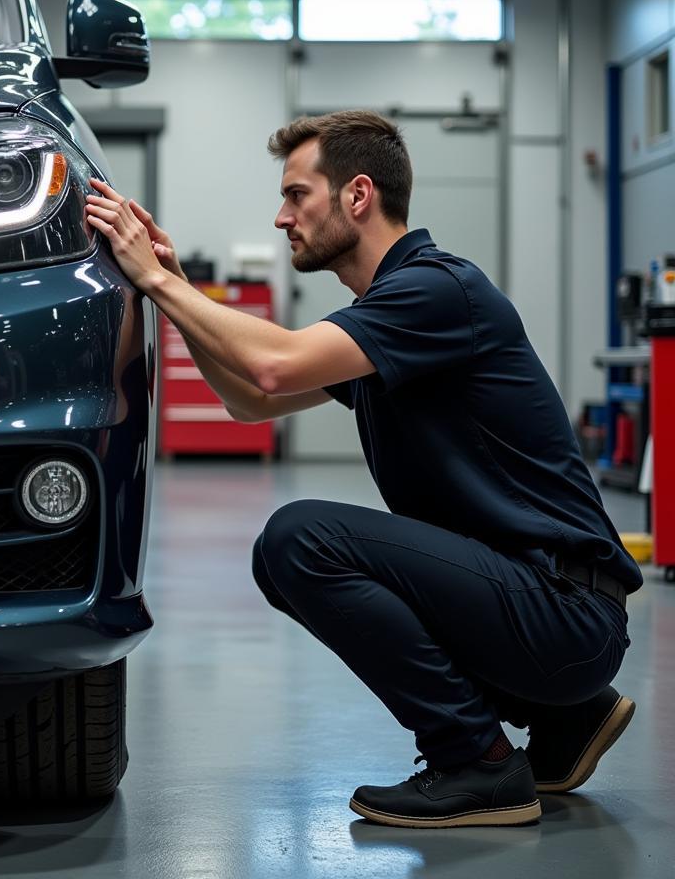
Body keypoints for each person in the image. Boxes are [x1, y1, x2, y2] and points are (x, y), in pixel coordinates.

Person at [84, 109, 641, 829]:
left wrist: (156, 285)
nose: (283, 217)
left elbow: (273, 363)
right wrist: (180, 282)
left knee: (300, 540)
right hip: (546, 611)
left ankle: (477, 763)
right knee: (283, 556)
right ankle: (565, 720)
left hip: (564, 613)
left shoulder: (437, 291)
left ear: (358, 196)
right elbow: (251, 399)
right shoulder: (392, 314)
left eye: (297, 195)